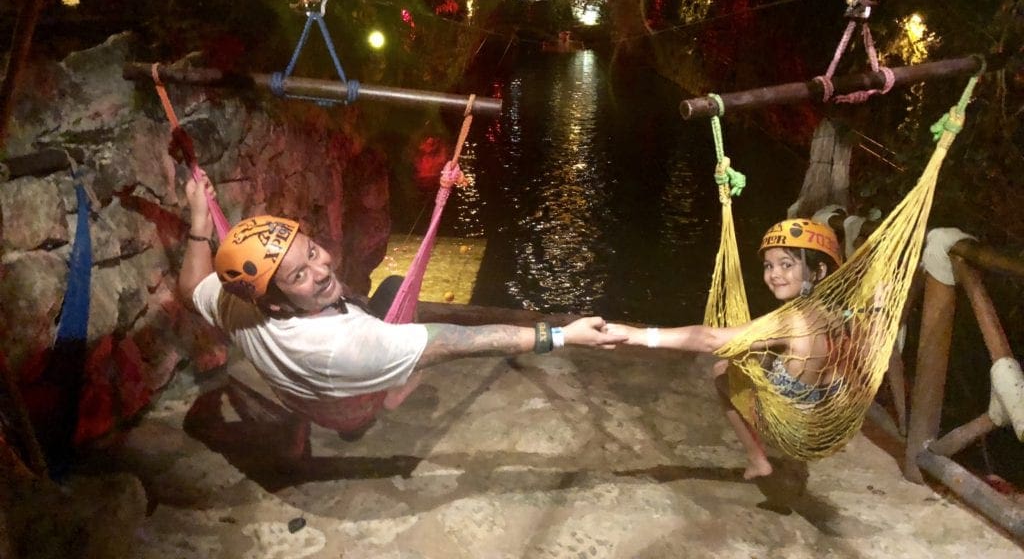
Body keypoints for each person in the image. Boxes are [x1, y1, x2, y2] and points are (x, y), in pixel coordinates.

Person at [178, 172, 625, 451]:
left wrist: (200, 222)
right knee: (397, 296)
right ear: (273, 299)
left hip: (297, 394)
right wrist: (564, 335)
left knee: (385, 289)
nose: (322, 267)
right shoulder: (357, 344)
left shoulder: (240, 305)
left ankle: (313, 420)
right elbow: (467, 341)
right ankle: (384, 395)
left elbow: (191, 287)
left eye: (313, 251)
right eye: (299, 275)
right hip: (349, 409)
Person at [607, 218, 844, 480]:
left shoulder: (790, 320)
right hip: (817, 416)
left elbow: (709, 339)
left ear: (818, 271)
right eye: (769, 266)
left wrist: (638, 335)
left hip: (792, 427)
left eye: (786, 265)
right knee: (746, 358)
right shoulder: (828, 313)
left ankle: (756, 458)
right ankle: (762, 454)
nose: (774, 274)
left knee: (722, 373)